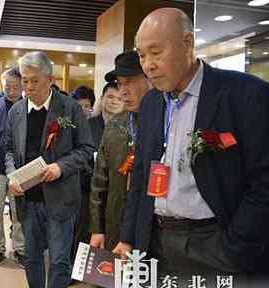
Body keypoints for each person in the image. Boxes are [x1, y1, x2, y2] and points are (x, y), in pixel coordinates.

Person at [113, 7, 269, 284]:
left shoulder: (245, 94)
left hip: (215, 244)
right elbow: (140, 176)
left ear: (187, 43)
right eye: (141, 54)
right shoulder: (150, 103)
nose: (147, 64)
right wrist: (128, 237)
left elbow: (264, 180)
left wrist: (237, 245)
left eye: (155, 52)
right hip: (156, 243)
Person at [5, 51, 95, 288]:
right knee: (32, 258)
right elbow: (8, 150)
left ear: (50, 79)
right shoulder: (16, 111)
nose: (29, 87)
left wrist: (60, 167)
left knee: (59, 260)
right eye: (25, 80)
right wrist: (11, 176)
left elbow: (86, 149)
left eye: (35, 80)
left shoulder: (70, 108)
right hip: (28, 199)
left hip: (61, 197)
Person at [90, 51, 152, 251]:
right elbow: (99, 181)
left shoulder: (163, 123)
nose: (122, 91)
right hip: (114, 222)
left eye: (130, 82)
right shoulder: (115, 124)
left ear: (149, 79)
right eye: (119, 83)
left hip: (152, 227)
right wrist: (97, 229)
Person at [0, 67, 26, 267]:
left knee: (19, 213)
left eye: (15, 86)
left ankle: (20, 249)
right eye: (7, 86)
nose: (11, 90)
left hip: (21, 171)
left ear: (22, 86)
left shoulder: (29, 107)